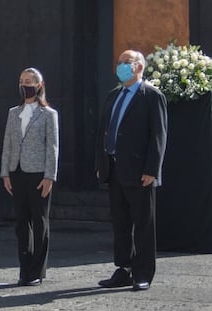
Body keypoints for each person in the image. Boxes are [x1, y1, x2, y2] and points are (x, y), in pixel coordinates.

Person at [95, 50, 167, 291]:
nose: (121, 67)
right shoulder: (113, 95)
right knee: (120, 222)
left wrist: (152, 169)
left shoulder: (151, 95)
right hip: (114, 169)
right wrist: (101, 164)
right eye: (119, 63)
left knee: (143, 223)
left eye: (126, 63)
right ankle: (123, 269)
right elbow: (103, 131)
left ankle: (143, 272)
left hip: (140, 172)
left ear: (139, 67)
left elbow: (158, 135)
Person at [0, 67, 59, 286]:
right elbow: (7, 144)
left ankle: (37, 269)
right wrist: (5, 172)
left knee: (39, 221)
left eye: (29, 81)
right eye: (22, 81)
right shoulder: (13, 113)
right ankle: (24, 269)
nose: (25, 85)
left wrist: (49, 176)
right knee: (21, 223)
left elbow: (52, 147)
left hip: (38, 174)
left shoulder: (48, 114)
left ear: (39, 85)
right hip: (17, 172)